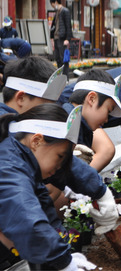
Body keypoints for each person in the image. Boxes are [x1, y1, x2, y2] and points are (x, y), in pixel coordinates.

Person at [0, 56, 120, 268]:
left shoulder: (17, 133)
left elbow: (39, 197)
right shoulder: (10, 140)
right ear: (21, 98)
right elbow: (20, 204)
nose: (51, 113)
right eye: (46, 105)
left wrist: (99, 191)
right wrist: (62, 260)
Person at [0, 103, 102, 270]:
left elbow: (44, 210)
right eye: (60, 156)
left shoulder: (22, 158)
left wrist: (64, 252)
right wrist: (65, 263)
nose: (59, 166)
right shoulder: (8, 166)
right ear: (37, 141)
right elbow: (27, 221)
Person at [64, 69, 121, 172]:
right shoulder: (66, 124)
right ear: (92, 99)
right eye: (108, 110)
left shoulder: (81, 125)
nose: (106, 120)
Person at [50, 0, 73, 81]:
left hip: (62, 38)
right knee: (57, 58)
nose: (52, 6)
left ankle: (65, 78)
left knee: (64, 59)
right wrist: (52, 37)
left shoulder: (65, 11)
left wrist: (67, 38)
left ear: (55, 2)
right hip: (57, 38)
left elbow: (68, 26)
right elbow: (53, 26)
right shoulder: (57, 12)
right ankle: (60, 78)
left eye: (52, 4)